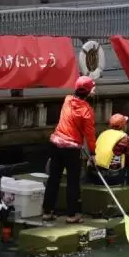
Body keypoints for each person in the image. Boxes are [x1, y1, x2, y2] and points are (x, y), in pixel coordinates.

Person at [44, 75, 98, 223]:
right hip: (71, 148)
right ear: (88, 92)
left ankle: (47, 212)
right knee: (73, 182)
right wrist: (93, 153)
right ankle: (71, 215)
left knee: (53, 179)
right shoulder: (87, 111)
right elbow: (90, 135)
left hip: (55, 143)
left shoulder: (67, 100)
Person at [89, 113, 129, 190]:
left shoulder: (102, 134)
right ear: (123, 126)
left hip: (95, 173)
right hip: (112, 177)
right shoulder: (126, 139)